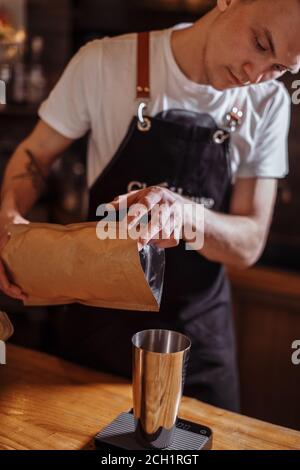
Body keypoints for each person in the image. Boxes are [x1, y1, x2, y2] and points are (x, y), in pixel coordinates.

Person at [0, 0, 299, 412]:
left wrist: (184, 213)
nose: (256, 74)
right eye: (260, 42)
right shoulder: (104, 62)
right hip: (97, 330)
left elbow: (248, 244)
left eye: (281, 68)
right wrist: (8, 222)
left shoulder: (269, 103)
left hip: (196, 348)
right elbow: (34, 155)